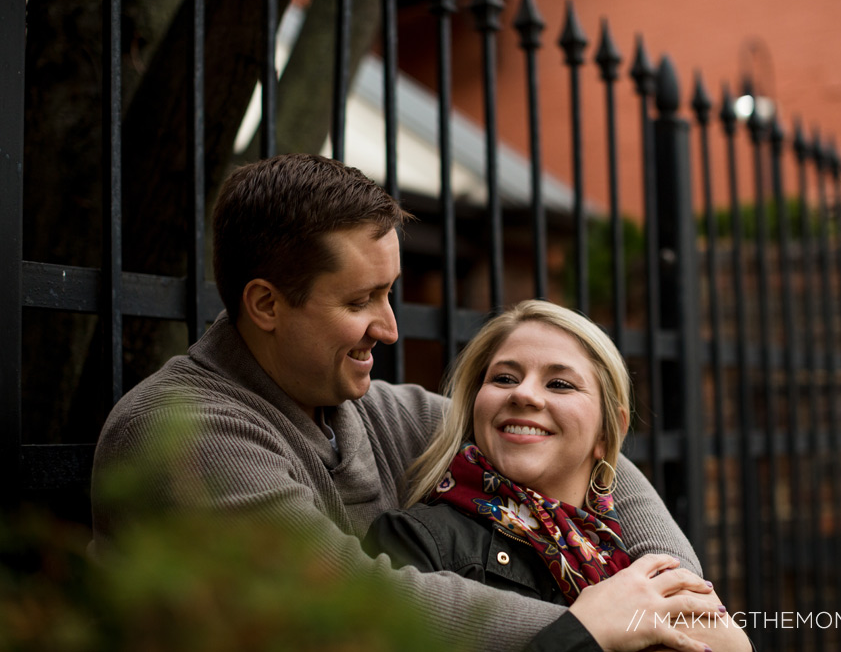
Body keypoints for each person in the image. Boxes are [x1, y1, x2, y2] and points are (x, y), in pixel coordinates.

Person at [91, 154, 718, 652]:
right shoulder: (186, 434)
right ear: (266, 305)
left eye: (389, 293)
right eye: (361, 301)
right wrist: (588, 627)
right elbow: (351, 603)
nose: (389, 327)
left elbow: (580, 447)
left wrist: (673, 598)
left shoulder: (368, 410)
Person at [366, 300, 752, 651]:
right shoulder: (414, 541)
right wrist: (584, 634)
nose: (525, 395)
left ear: (607, 433)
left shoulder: (632, 560)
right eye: (504, 378)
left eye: (560, 384)